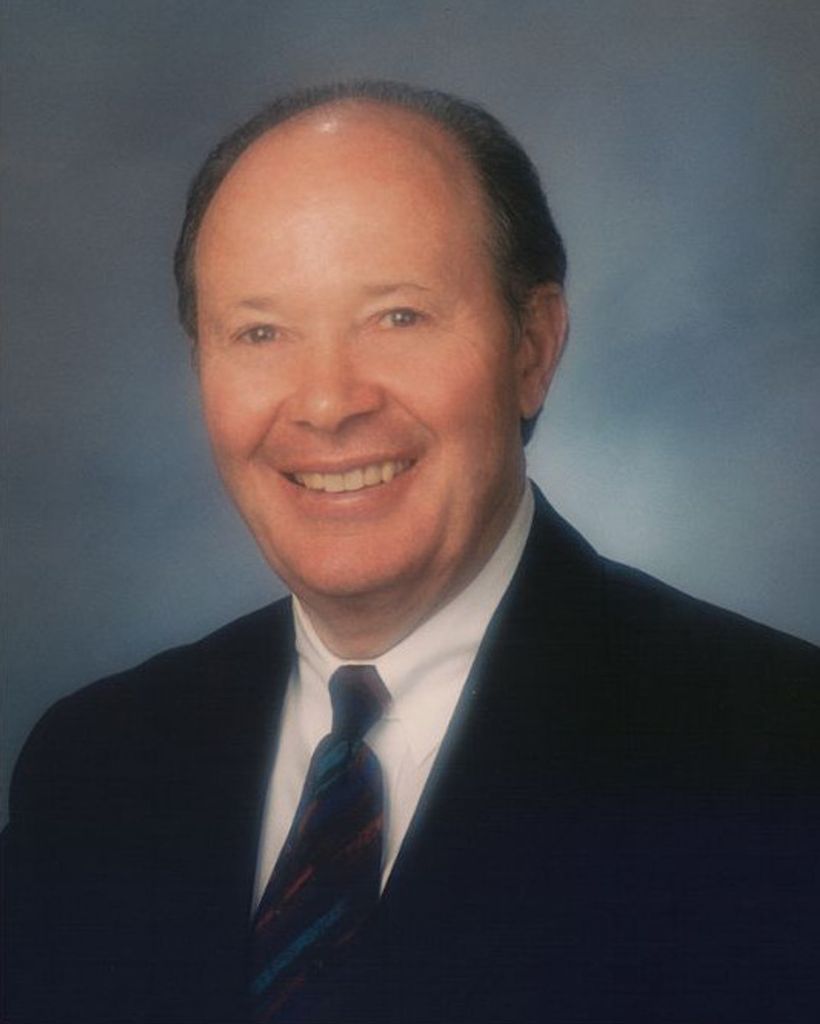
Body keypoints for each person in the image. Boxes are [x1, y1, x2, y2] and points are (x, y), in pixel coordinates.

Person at [3, 80, 819, 1024]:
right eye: (260, 332)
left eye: (398, 316)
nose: (327, 402)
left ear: (532, 347)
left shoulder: (776, 755)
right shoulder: (95, 767)